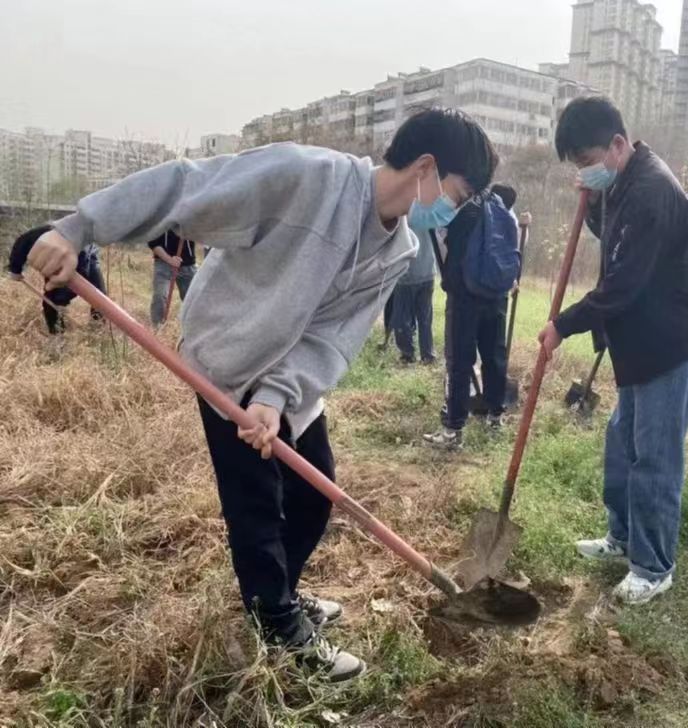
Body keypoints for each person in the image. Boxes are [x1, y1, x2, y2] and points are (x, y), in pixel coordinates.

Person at [26, 108, 498, 681]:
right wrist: (77, 229)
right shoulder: (307, 177)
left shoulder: (397, 249)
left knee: (313, 496)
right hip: (229, 358)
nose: (453, 211)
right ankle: (275, 624)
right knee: (256, 503)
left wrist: (277, 396)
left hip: (291, 375)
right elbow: (187, 188)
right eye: (458, 195)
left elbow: (333, 335)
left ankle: (280, 594)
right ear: (426, 167)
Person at [538, 97, 688, 605]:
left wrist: (563, 325)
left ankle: (654, 566)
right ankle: (622, 537)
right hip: (641, 339)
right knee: (622, 444)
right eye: (578, 166)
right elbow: (617, 236)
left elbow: (621, 284)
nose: (584, 172)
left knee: (654, 457)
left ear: (617, 144)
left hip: (672, 343)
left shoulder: (651, 190)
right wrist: (595, 203)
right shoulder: (623, 182)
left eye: (587, 161)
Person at [423, 182, 522, 449]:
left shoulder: (460, 206)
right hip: (496, 294)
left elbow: (440, 240)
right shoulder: (501, 207)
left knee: (459, 361)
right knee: (495, 356)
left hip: (465, 295)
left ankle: (453, 430)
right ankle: (495, 418)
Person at [8, 223, 106, 334]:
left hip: (87, 257)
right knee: (51, 300)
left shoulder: (81, 247)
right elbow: (21, 243)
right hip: (56, 258)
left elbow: (82, 271)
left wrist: (64, 297)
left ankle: (97, 329)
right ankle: (56, 334)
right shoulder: (41, 235)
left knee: (100, 298)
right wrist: (15, 269)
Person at [392, 225, 437, 364]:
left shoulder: (402, 218)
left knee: (402, 318)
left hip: (406, 275)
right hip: (428, 271)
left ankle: (407, 354)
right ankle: (427, 354)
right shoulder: (430, 215)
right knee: (425, 318)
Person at [148, 228, 198, 326]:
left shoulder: (188, 220)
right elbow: (153, 243)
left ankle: (194, 327)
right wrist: (170, 259)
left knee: (193, 299)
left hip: (188, 265)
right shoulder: (159, 221)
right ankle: (158, 328)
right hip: (163, 264)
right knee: (160, 296)